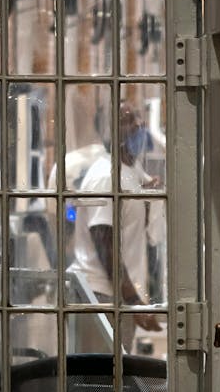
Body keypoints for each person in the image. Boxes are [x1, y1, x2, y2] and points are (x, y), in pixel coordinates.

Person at [68, 103, 164, 348]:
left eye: (138, 119)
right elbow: (105, 244)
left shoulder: (130, 170)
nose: (139, 126)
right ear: (109, 132)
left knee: (119, 376)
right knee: (104, 380)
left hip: (117, 295)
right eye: (128, 121)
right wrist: (133, 301)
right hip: (102, 297)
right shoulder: (106, 176)